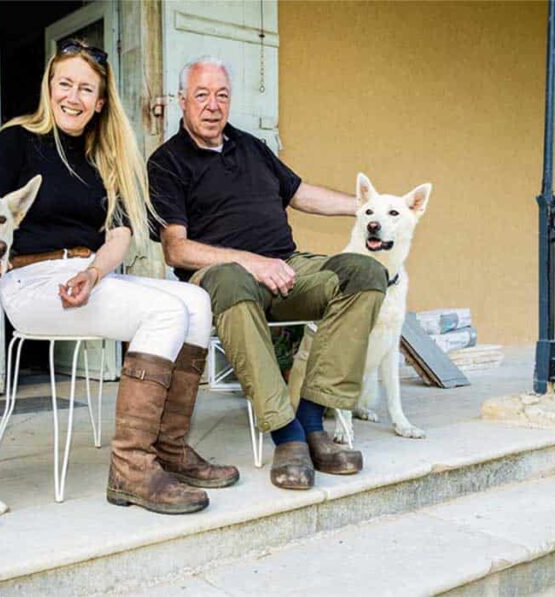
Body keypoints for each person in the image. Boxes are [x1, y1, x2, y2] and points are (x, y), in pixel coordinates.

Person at [0, 40, 239, 514]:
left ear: (100, 102)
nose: (73, 97)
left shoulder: (104, 156)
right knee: (162, 311)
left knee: (194, 301)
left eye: (86, 89)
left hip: (89, 274)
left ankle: (169, 449)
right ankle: (131, 467)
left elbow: (118, 235)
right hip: (31, 281)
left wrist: (95, 271)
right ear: (49, 88)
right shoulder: (14, 142)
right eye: (65, 85)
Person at [148, 56, 387, 491]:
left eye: (221, 95)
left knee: (364, 273)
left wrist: (365, 208)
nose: (212, 105)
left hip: (286, 268)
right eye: (201, 95)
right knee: (231, 278)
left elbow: (300, 194)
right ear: (182, 100)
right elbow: (176, 248)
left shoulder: (252, 147)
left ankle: (313, 419)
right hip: (224, 279)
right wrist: (250, 262)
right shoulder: (167, 162)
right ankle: (287, 434)